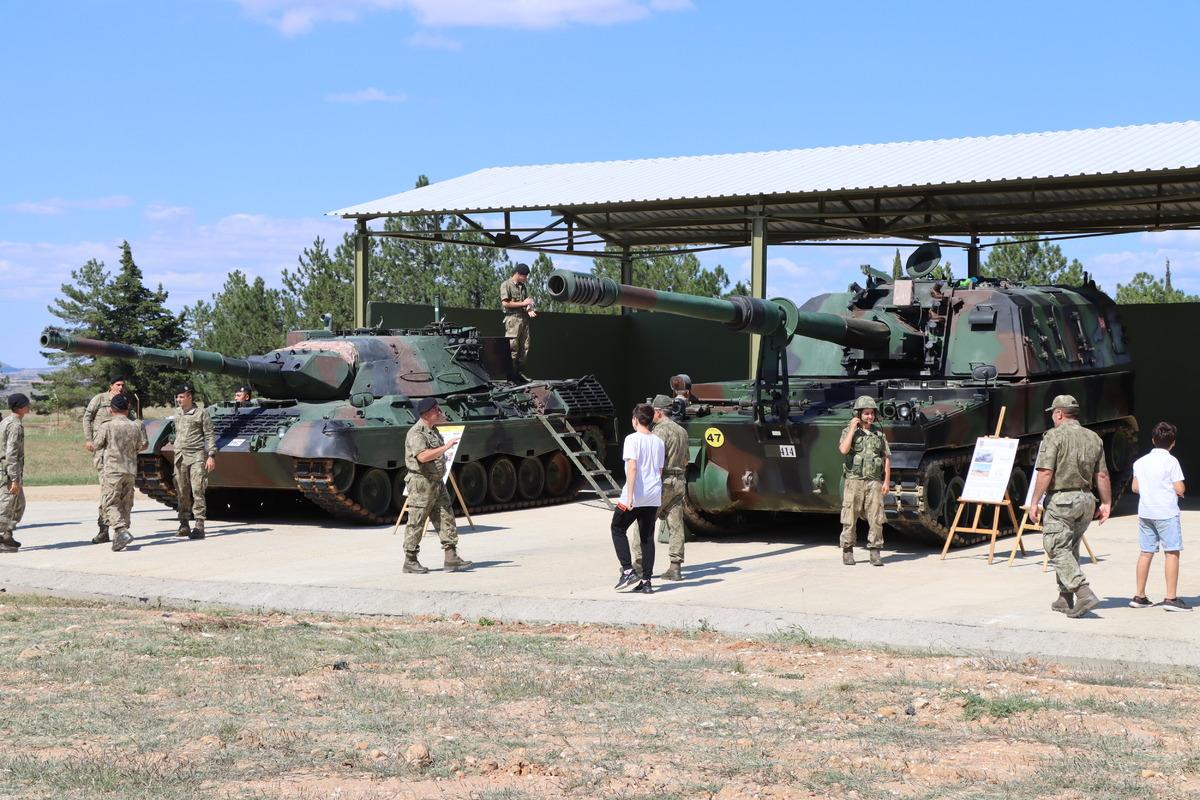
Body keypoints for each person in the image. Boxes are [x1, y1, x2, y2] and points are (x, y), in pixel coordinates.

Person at [1029, 395, 1111, 618]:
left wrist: (1034, 501)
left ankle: (1083, 592)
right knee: (1070, 547)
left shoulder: (1053, 436)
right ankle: (1065, 597)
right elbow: (1102, 474)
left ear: (1058, 414)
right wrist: (1106, 502)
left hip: (1062, 501)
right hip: (1086, 501)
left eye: (1053, 414)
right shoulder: (1093, 437)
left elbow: (1046, 472)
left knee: (1056, 547)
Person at [403, 397, 473, 574]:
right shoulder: (417, 433)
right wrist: (446, 447)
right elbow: (423, 457)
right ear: (426, 413)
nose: (439, 411)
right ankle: (410, 560)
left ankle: (451, 558)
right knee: (417, 521)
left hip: (436, 482)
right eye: (436, 409)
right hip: (422, 483)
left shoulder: (433, 431)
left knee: (445, 517)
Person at [1130, 422, 1190, 611]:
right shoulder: (1171, 461)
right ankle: (1171, 598)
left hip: (1146, 512)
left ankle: (1139, 596)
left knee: (1145, 552)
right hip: (1166, 513)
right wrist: (1179, 490)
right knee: (1171, 552)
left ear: (1153, 440)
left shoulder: (1140, 462)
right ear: (1173, 443)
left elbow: (1135, 488)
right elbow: (1179, 488)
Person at [611, 403, 665, 594]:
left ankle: (627, 570)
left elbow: (632, 467)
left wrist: (630, 496)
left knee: (617, 528)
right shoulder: (658, 441)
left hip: (635, 495)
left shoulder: (631, 439)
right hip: (653, 494)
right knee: (647, 538)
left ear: (635, 420)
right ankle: (647, 582)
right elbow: (659, 470)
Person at [837, 396, 891, 566]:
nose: (870, 416)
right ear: (858, 414)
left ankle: (875, 551)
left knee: (876, 517)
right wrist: (852, 429)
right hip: (854, 481)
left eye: (872, 413)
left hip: (874, 481)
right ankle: (847, 550)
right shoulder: (849, 432)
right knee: (849, 516)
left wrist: (886, 481)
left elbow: (886, 458)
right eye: (866, 413)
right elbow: (843, 449)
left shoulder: (879, 434)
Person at [83, 374, 136, 544]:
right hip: (102, 452)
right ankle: (104, 529)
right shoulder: (100, 399)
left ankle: (118, 531)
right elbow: (87, 418)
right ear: (111, 385)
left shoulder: (124, 401)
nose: (121, 388)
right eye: (118, 385)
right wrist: (89, 439)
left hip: (121, 453)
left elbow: (133, 420)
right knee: (107, 491)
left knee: (118, 494)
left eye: (123, 385)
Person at [93, 394, 148, 552]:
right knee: (125, 502)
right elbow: (141, 445)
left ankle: (121, 530)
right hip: (130, 469)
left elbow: (97, 444)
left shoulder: (107, 425)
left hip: (113, 469)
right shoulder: (135, 426)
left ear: (111, 409)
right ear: (127, 409)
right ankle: (120, 536)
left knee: (110, 502)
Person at [643, 394, 689, 580]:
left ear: (658, 412)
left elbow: (654, 460)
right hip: (679, 481)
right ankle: (675, 566)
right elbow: (686, 460)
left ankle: (637, 565)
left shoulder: (659, 432)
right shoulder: (682, 431)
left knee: (644, 522)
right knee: (676, 524)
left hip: (662, 482)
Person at [173, 383, 217, 539]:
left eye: (181, 397)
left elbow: (209, 435)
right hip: (180, 457)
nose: (178, 400)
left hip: (196, 456)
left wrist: (211, 455)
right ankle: (184, 523)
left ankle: (199, 525)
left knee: (198, 490)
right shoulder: (177, 412)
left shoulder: (201, 413)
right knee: (181, 491)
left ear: (189, 396)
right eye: (177, 397)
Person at [0, 393, 31, 553]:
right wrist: (14, 478)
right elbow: (11, 453)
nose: (29, 406)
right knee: (6, 505)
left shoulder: (6, 421)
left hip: (7, 469)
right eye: (26, 404)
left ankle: (7, 535)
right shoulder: (14, 425)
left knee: (18, 504)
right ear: (21, 407)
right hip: (8, 471)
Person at [499, 263, 536, 377]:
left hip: (523, 319)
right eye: (524, 276)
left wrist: (529, 308)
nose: (526, 278)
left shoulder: (522, 286)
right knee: (512, 348)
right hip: (513, 319)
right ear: (518, 274)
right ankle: (510, 376)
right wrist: (524, 303)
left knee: (525, 347)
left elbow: (526, 302)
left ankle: (518, 374)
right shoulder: (506, 285)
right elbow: (505, 303)